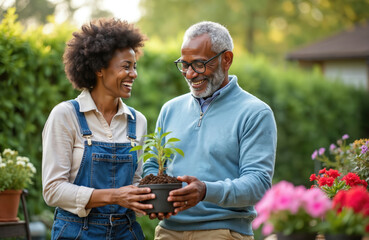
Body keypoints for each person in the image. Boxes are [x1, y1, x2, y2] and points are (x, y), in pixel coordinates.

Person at [143, 21, 277, 240]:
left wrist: (205, 191)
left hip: (223, 231)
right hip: (168, 231)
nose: (189, 74)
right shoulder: (170, 109)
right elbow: (153, 166)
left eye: (199, 64)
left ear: (227, 59)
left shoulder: (255, 112)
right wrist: (151, 198)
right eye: (184, 65)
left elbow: (259, 184)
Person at [42, 18, 155, 240]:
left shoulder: (137, 121)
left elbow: (136, 181)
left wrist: (152, 199)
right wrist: (114, 196)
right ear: (99, 69)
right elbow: (53, 190)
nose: (134, 74)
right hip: (77, 231)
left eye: (135, 67)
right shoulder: (66, 115)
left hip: (127, 232)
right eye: (126, 66)